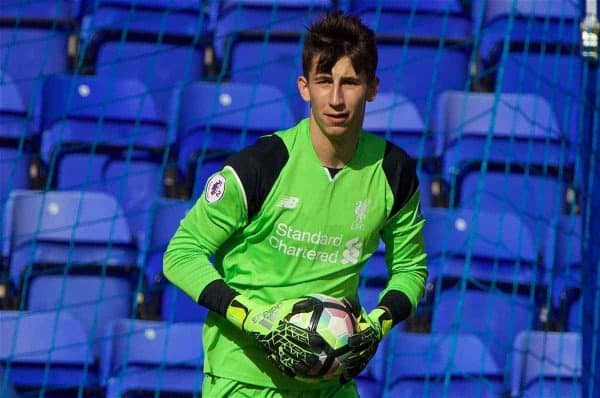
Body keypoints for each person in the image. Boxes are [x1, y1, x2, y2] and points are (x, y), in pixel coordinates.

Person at [163, 11, 427, 398]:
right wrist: (254, 319)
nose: (336, 99)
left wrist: (376, 325)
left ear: (372, 88)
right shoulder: (260, 166)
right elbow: (181, 254)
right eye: (324, 82)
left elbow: (411, 269)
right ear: (304, 87)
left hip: (331, 382)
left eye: (350, 83)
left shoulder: (394, 172)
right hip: (244, 379)